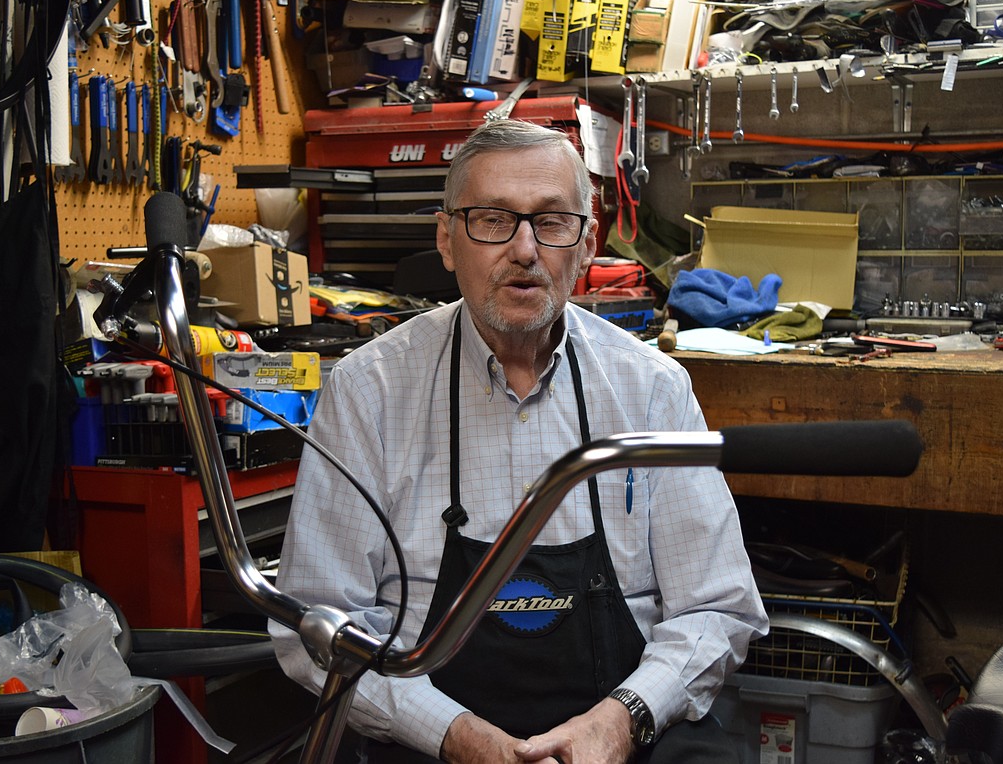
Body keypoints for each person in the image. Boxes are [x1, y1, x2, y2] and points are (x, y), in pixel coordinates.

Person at [272, 119, 768, 764]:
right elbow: (316, 627)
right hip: (426, 739)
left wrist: (621, 721)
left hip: (617, 738)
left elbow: (718, 607)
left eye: (553, 222)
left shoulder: (650, 389)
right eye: (492, 219)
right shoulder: (369, 390)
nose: (525, 249)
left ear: (587, 244)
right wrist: (451, 735)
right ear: (447, 240)